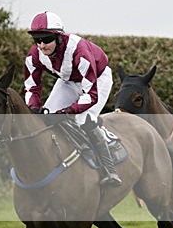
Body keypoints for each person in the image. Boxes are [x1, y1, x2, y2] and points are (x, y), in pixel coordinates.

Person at [24, 11, 122, 186]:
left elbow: (91, 95)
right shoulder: (34, 55)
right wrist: (33, 107)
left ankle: (110, 170)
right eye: (37, 40)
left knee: (83, 119)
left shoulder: (79, 51)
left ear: (59, 37)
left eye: (46, 39)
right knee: (45, 117)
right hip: (68, 82)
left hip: (98, 80)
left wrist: (66, 112)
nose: (41, 45)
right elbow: (32, 86)